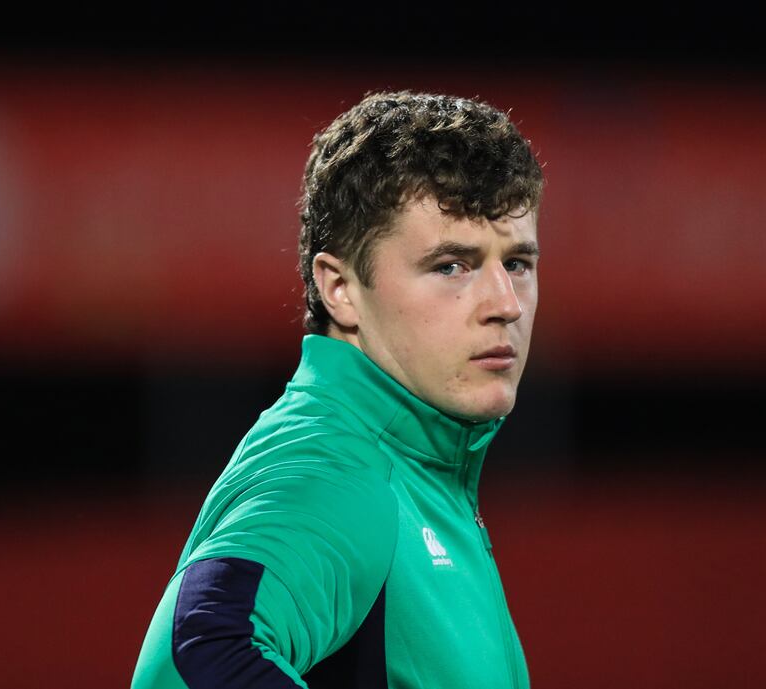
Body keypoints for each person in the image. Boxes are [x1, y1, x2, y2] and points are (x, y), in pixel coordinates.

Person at [132, 90, 544, 689]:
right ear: (341, 290)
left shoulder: (412, 468)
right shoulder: (337, 467)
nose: (505, 305)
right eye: (451, 265)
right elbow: (199, 652)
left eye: (517, 264)